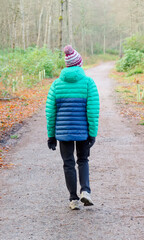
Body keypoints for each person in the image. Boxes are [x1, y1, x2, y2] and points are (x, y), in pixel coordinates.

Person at [46, 45, 100, 210]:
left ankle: (73, 199)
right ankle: (85, 191)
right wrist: (92, 134)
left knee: (68, 163)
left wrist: (51, 135)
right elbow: (92, 111)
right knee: (83, 160)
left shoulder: (56, 84)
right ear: (79, 64)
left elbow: (50, 113)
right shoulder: (88, 83)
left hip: (63, 132)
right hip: (83, 131)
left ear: (67, 65)